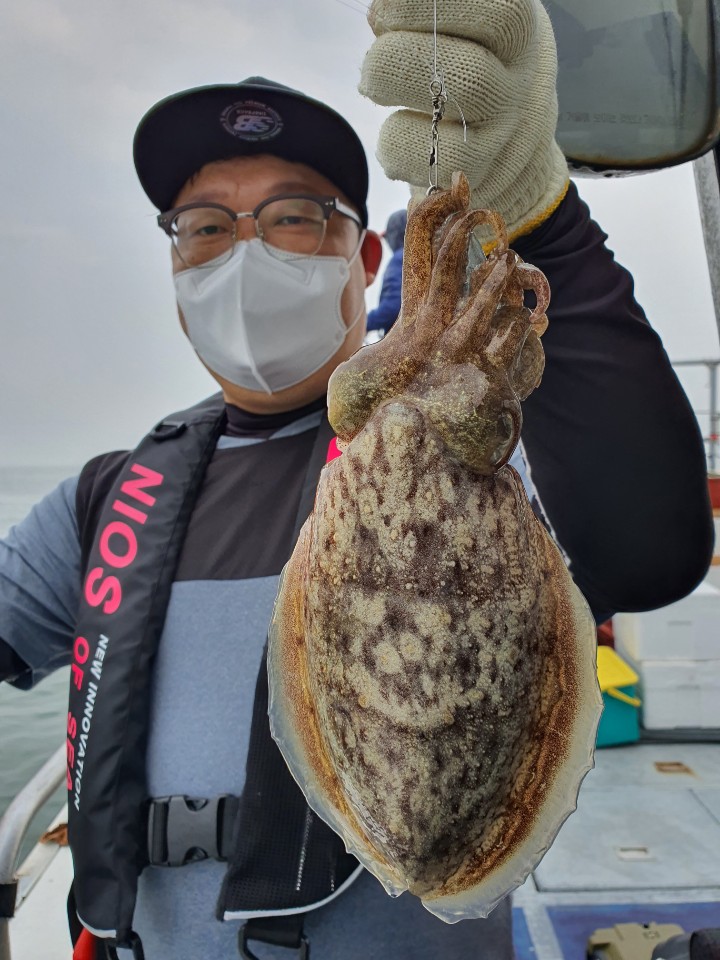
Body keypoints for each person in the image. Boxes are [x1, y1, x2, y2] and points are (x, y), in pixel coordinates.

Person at [0, 1, 714, 957]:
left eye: (294, 216)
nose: (244, 249)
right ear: (174, 262)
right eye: (205, 226)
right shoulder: (107, 501)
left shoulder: (500, 461)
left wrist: (539, 216)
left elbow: (649, 541)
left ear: (363, 254)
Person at [366, 208, 406, 335]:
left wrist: (364, 323)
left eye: (388, 237)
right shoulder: (429, 253)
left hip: (402, 343)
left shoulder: (399, 259)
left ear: (396, 234)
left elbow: (393, 307)